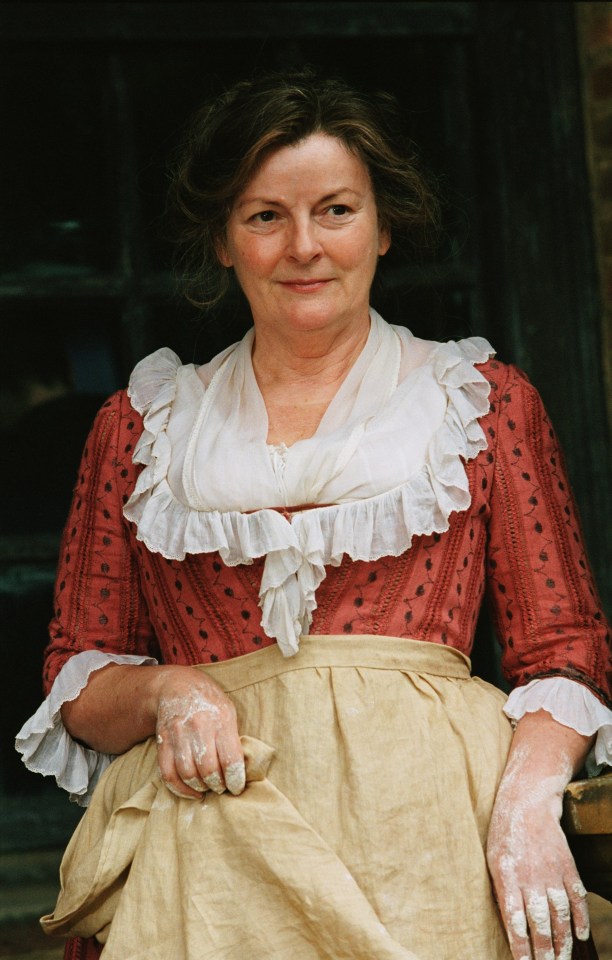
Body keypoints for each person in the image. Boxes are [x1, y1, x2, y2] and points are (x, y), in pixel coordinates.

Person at [16, 70, 611, 960]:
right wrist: (173, 690)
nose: (305, 246)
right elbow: (80, 674)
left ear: (382, 225)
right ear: (222, 238)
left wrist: (526, 808)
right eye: (265, 216)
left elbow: (565, 647)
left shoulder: (481, 406)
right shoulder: (142, 428)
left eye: (335, 209)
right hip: (211, 850)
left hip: (439, 842)